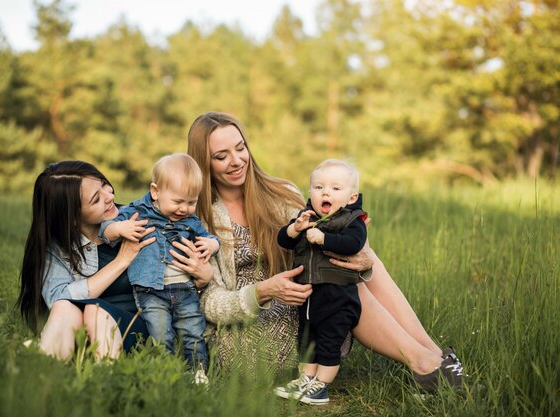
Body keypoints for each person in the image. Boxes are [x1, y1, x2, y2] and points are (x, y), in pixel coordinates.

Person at [181, 112, 464, 402]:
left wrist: (363, 261)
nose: (237, 160)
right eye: (221, 156)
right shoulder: (197, 219)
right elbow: (209, 303)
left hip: (304, 306)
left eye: (240, 148)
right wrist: (264, 290)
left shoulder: (280, 193)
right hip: (246, 333)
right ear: (205, 163)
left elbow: (322, 240)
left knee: (357, 257)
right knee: (337, 282)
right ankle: (427, 366)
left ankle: (436, 358)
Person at [17, 160, 214, 362]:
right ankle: (44, 373)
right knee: (65, 306)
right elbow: (59, 300)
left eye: (104, 185)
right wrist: (121, 261)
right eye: (96, 199)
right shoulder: (57, 249)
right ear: (72, 217)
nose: (110, 196)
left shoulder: (139, 219)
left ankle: (107, 380)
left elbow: (179, 280)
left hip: (147, 323)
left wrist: (204, 277)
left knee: (95, 311)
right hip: (85, 329)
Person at [99, 153, 219, 383]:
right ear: (156, 192)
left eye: (191, 202)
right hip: (150, 291)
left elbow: (210, 237)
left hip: (185, 289)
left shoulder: (191, 221)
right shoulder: (137, 212)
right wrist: (120, 229)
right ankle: (165, 374)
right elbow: (105, 230)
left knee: (193, 330)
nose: (184, 208)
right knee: (160, 333)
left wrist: (212, 244)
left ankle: (198, 373)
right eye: (177, 201)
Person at [275, 159, 368, 404]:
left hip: (338, 297)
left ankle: (321, 385)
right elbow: (284, 241)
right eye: (319, 187)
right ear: (310, 193)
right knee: (307, 339)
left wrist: (325, 239)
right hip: (308, 297)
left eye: (336, 188)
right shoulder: (306, 218)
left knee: (328, 341)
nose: (325, 192)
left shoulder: (352, 221)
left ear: (351, 197)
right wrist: (295, 229)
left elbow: (353, 244)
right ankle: (305, 379)